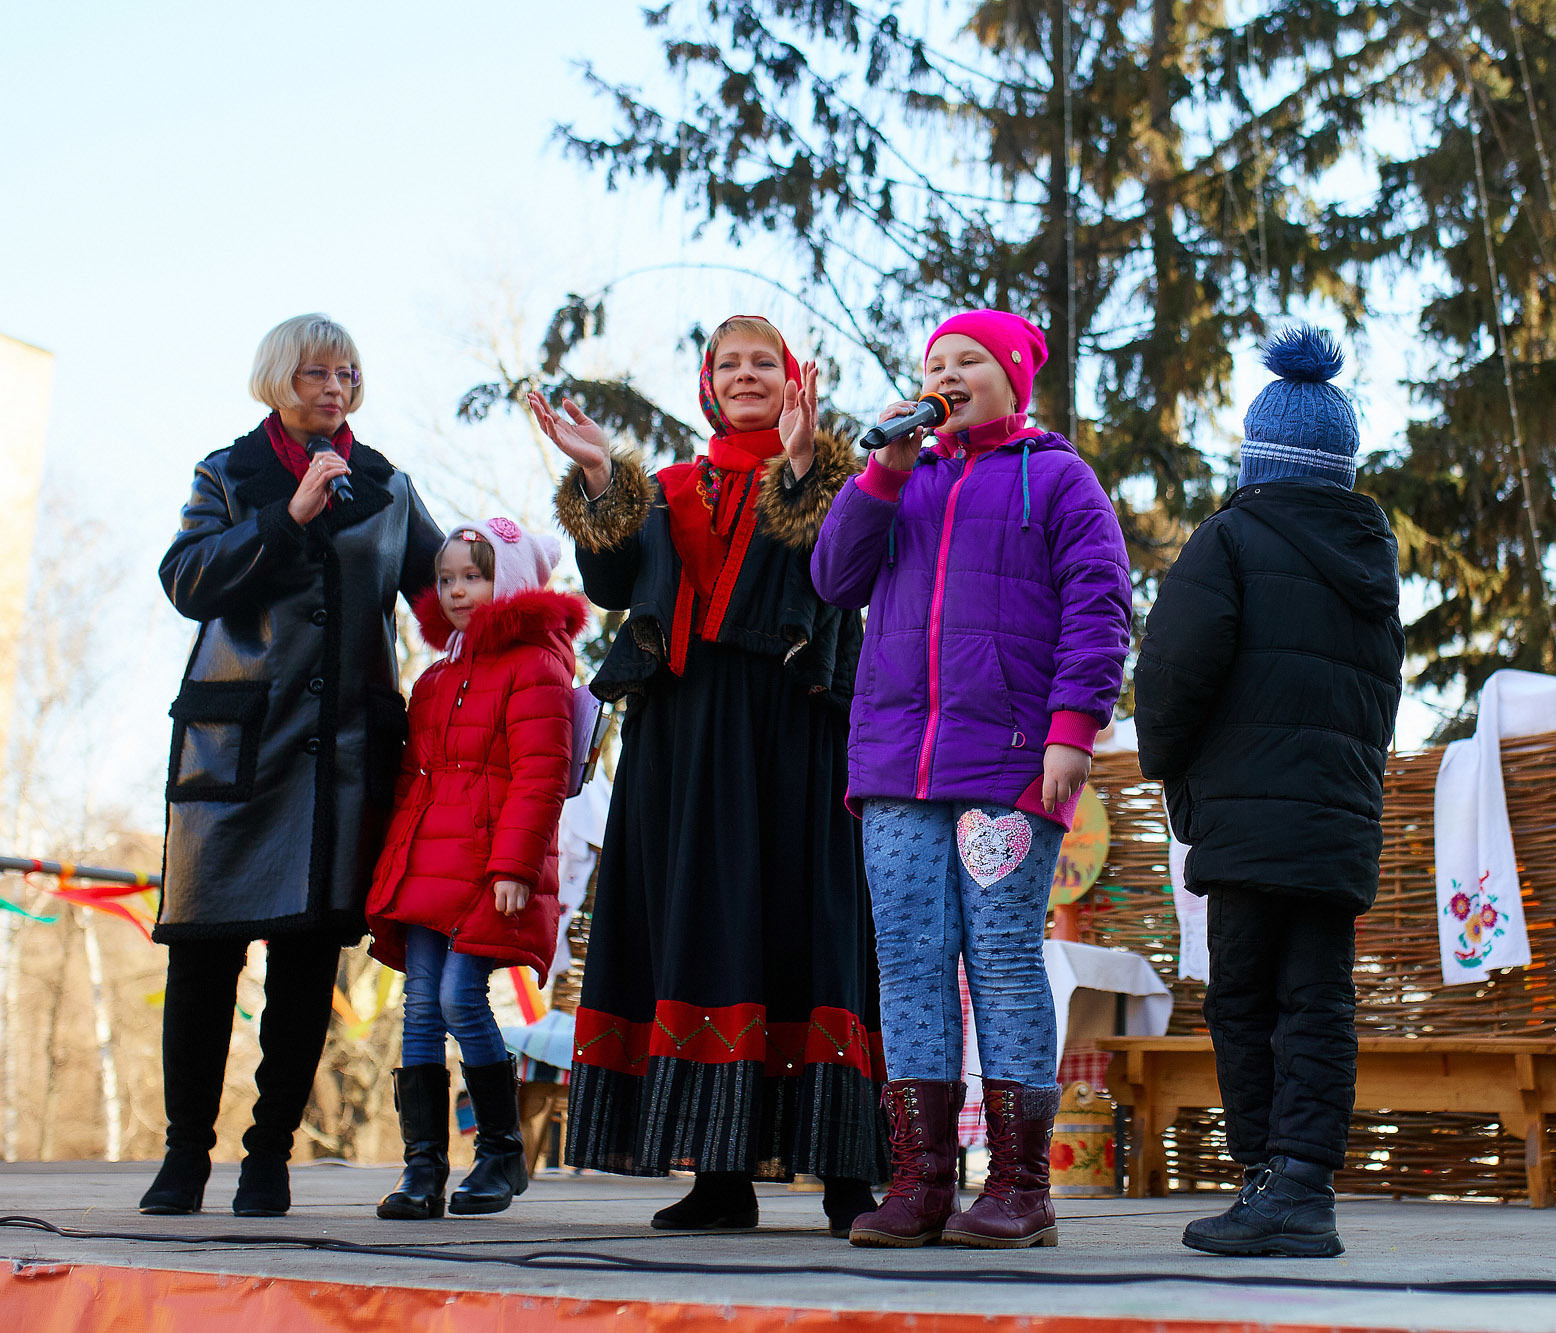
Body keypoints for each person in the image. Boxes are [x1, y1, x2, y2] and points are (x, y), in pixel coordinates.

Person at [532, 315, 886, 1235]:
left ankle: (847, 1175)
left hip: (794, 729)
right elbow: (612, 586)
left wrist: (804, 464)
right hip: (683, 742)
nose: (746, 374)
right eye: (730, 363)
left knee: (809, 921)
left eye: (765, 361)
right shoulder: (667, 489)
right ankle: (721, 1175)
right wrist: (601, 476)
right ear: (708, 384)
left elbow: (840, 569)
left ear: (794, 379)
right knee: (701, 929)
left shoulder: (835, 482)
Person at [811, 309, 1132, 1249]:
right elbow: (832, 579)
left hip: (1009, 763)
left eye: (969, 360)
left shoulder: (1058, 476)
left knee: (1000, 956)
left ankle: (1022, 1185)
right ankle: (920, 1181)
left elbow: (1100, 603)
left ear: (1013, 378)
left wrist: (1073, 730)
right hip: (897, 768)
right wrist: (880, 474)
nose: (946, 374)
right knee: (910, 962)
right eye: (935, 361)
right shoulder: (900, 478)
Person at [146, 314, 445, 1216]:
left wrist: (526, 590)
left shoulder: (387, 487)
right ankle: (184, 1155)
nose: (335, 388)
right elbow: (187, 578)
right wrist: (287, 518)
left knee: (309, 960)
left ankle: (268, 1155)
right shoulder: (227, 473)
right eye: (317, 373)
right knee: (203, 955)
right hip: (236, 749)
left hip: (343, 758)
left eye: (347, 373)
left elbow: (449, 592)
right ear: (280, 378)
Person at [1133, 327, 1403, 1258]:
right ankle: (1304, 1185)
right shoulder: (1372, 561)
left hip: (1246, 818)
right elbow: (1380, 700)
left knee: (1243, 998)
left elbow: (1173, 671)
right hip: (1335, 821)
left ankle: (1264, 1179)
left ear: (1258, 458)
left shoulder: (1231, 539)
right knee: (1319, 999)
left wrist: (1169, 765)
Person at [366, 519, 586, 1219]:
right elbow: (413, 779)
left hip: (492, 863)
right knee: (419, 1008)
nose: (457, 590)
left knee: (462, 997)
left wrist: (514, 865)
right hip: (428, 862)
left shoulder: (536, 667)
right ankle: (422, 1166)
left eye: (474, 576)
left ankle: (500, 1150)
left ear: (511, 580)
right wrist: (392, 866)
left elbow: (540, 774)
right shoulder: (435, 679)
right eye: (446, 578)